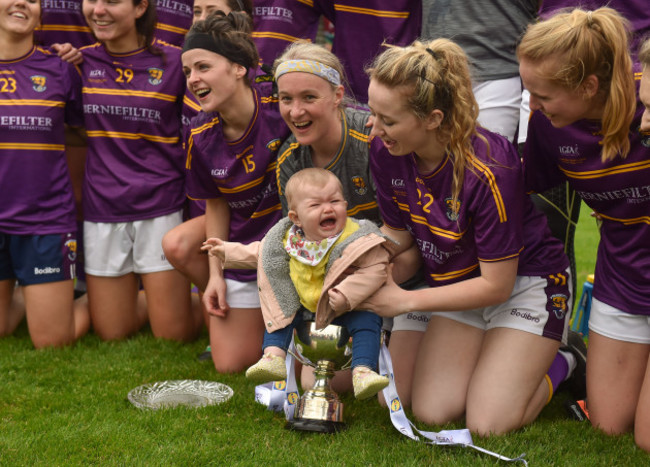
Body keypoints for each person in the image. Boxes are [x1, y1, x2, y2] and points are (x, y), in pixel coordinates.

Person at [363, 38, 584, 436]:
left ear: (432, 119)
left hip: (524, 283)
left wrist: (406, 300)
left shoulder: (490, 167)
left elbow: (496, 286)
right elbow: (399, 239)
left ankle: (565, 359)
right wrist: (361, 268)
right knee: (430, 411)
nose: (373, 128)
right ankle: (504, 354)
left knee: (488, 424)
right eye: (373, 114)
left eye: (387, 120)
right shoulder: (385, 151)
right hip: (458, 282)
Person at [518, 8, 650, 451]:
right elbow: (518, 187)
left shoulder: (646, 95)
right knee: (609, 426)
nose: (532, 106)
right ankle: (571, 359)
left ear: (589, 86)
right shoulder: (547, 126)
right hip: (624, 279)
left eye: (543, 96)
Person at [203, 169, 391, 399]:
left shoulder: (356, 239)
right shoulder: (290, 240)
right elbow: (262, 253)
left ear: (345, 204)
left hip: (347, 306)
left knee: (367, 322)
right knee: (282, 309)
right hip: (306, 307)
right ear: (296, 218)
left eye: (334, 201)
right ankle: (273, 357)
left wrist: (346, 293)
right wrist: (227, 251)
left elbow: (376, 269)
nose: (328, 209)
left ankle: (363, 370)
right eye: (315, 205)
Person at [79, 0, 201, 341]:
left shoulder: (176, 62)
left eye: (112, 2)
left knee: (172, 336)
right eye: (92, 1)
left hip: (161, 206)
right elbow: (73, 132)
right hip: (103, 208)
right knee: (112, 333)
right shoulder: (79, 62)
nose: (98, 10)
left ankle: (189, 299)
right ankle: (155, 295)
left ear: (139, 8)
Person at [182, 11, 291, 372]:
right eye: (187, 72)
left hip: (296, 249)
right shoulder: (199, 134)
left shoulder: (282, 108)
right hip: (244, 251)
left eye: (202, 67)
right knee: (230, 365)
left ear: (239, 68)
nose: (193, 79)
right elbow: (215, 206)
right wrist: (216, 275)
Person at [0, 0, 89, 347]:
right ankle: (28, 297)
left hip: (45, 222)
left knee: (52, 341)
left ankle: (104, 299)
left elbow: (81, 132)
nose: (23, 2)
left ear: (41, 14)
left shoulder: (59, 68)